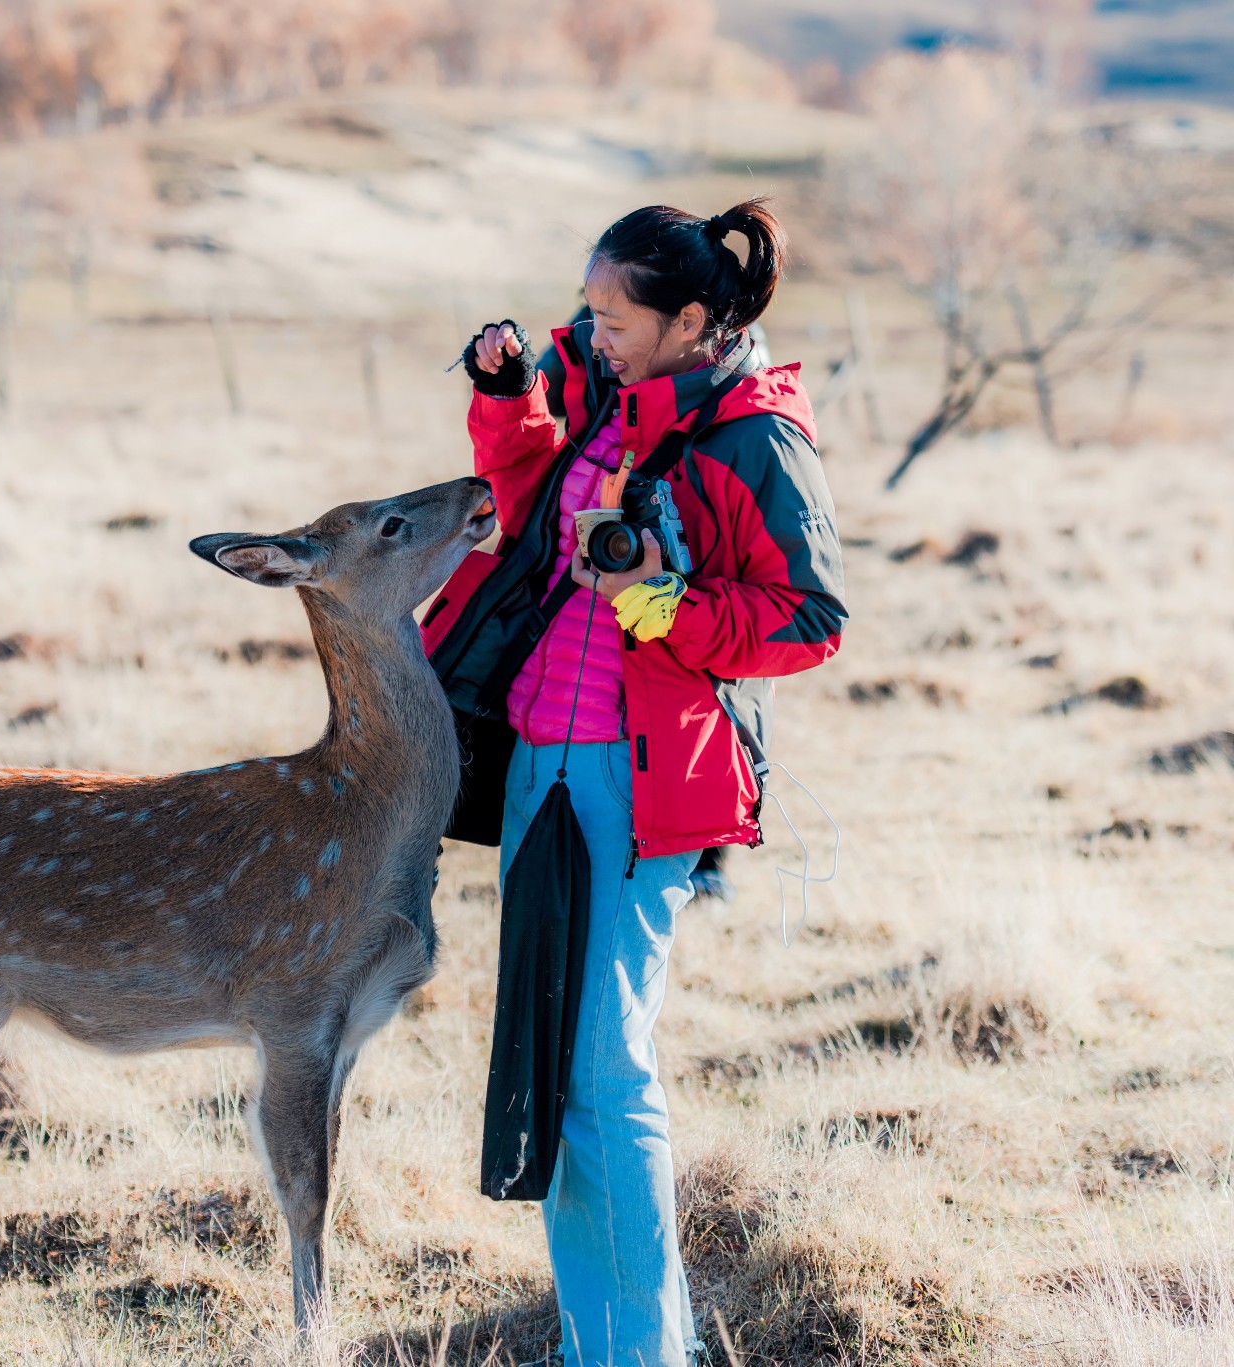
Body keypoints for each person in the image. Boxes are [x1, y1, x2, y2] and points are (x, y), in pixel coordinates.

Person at [453, 200, 846, 1366]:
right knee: (553, 1072)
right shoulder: (608, 395)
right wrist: (510, 392)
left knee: (597, 1071)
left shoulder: (752, 438)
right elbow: (528, 491)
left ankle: (636, 1353)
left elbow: (809, 617)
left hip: (647, 782)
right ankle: (606, 1341)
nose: (592, 329)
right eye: (586, 308)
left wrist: (674, 610)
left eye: (612, 315)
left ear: (687, 321)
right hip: (540, 765)